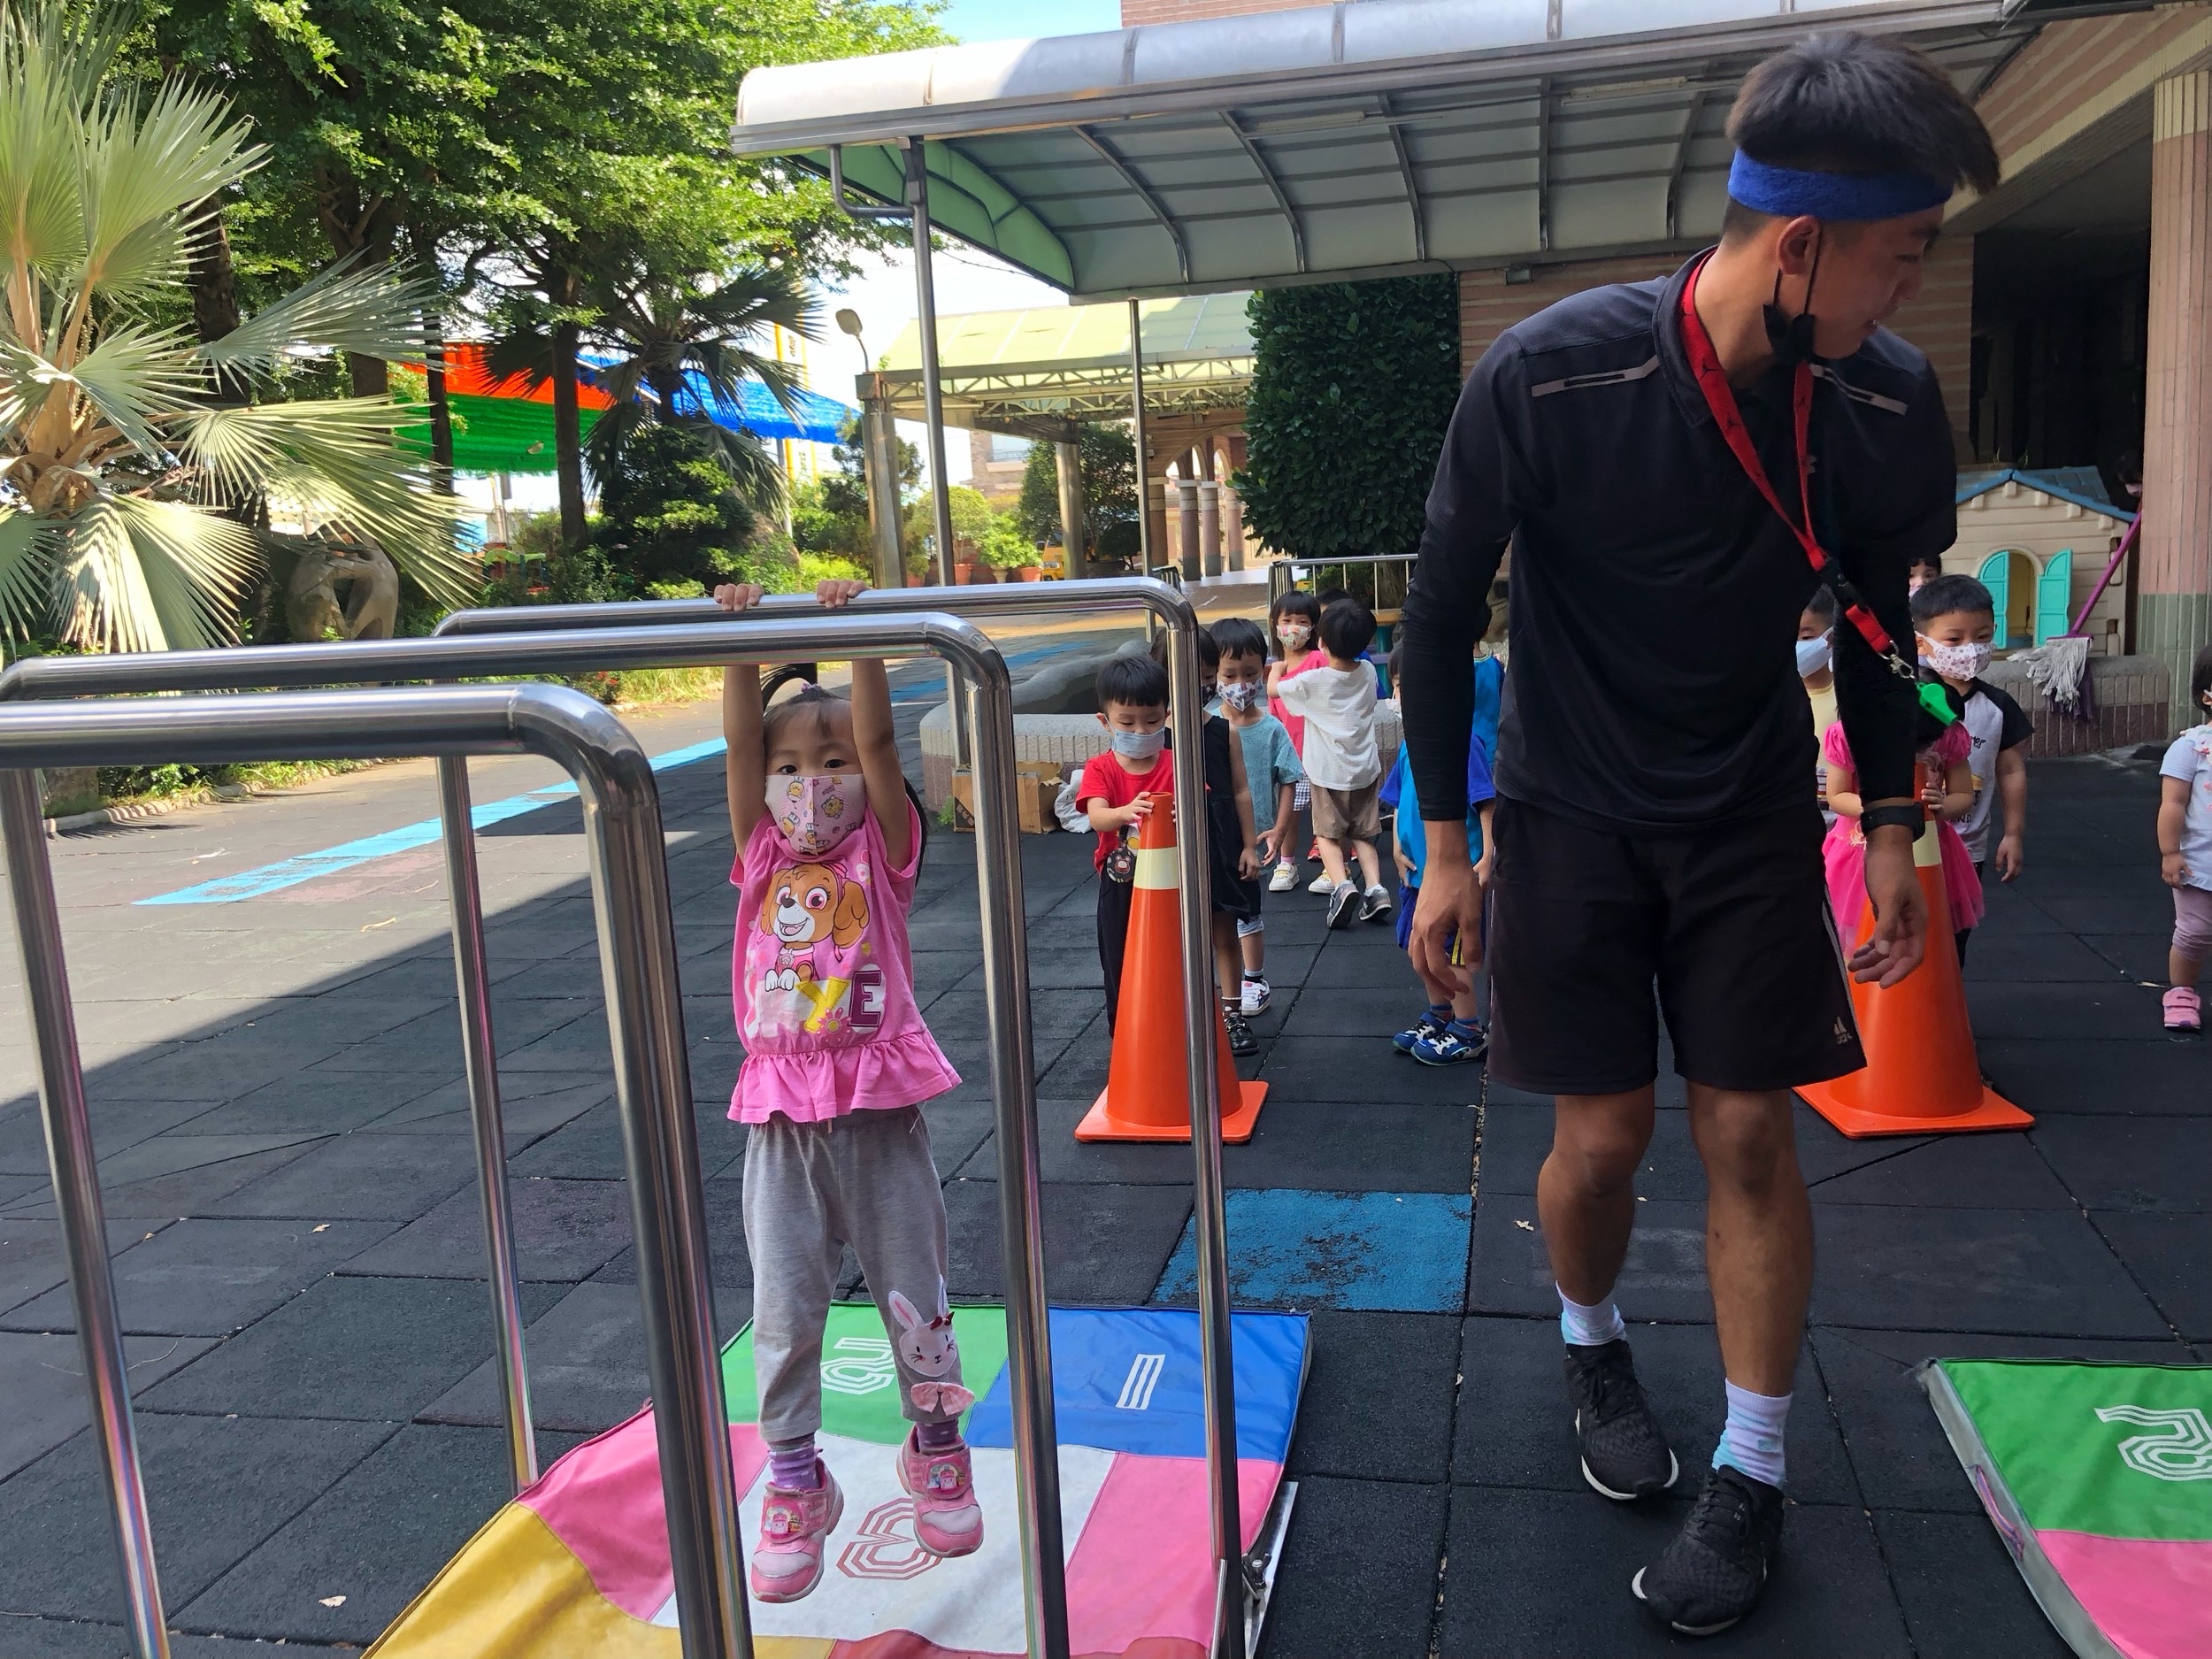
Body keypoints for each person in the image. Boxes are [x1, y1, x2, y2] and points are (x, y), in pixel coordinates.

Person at [1396, 30, 1993, 1635]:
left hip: (1746, 810)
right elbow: (1440, 613)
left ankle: (1753, 1465)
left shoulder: (1883, 393)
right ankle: (1591, 1343)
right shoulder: (1552, 374)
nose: (1910, 289)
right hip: (1569, 811)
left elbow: (1875, 626)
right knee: (1600, 1142)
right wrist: (1446, 846)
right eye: (1899, 254)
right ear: (1798, 245)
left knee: (1745, 1131)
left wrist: (1889, 822)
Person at [713, 578, 979, 1604]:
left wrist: (859, 635)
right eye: (790, 768)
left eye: (831, 767)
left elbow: (875, 740)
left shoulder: (883, 852)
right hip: (782, 1122)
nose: (810, 786)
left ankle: (935, 1442)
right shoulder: (759, 852)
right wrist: (740, 638)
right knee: (783, 1308)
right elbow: (740, 746)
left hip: (878, 1115)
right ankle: (794, 1475)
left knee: (915, 1289)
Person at [1148, 629, 1265, 1053]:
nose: (1194, 686)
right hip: (1170, 845)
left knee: (1224, 928)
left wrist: (1249, 845)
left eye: (1203, 677)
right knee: (1172, 933)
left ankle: (1232, 1013)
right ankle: (1181, 1012)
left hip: (1219, 842)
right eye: (1181, 676)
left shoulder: (1221, 730)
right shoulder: (1152, 735)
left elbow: (1241, 791)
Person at [1383, 643, 1495, 1065]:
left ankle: (1468, 1028)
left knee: (1452, 951)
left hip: (1454, 877)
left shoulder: (1464, 744)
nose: (1403, 698)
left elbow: (1486, 802)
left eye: (1413, 688)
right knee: (1418, 945)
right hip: (1418, 874)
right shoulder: (1410, 746)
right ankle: (1441, 1012)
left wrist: (1488, 853)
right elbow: (1399, 800)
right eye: (1398, 687)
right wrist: (1396, 845)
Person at [1912, 572, 2032, 959]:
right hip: (1910, 842)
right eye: (1954, 639)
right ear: (1921, 642)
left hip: (1968, 847)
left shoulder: (1998, 706)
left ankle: (1949, 998)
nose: (1971, 649)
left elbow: (2011, 771)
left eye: (1982, 637)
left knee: (1953, 939)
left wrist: (2013, 834)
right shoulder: (1907, 699)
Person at [1273, 597, 1390, 929]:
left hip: (1327, 773)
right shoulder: (1368, 672)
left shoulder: (1314, 681)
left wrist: (1278, 670)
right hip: (1365, 770)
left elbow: (1275, 690)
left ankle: (1342, 885)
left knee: (1326, 834)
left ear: (1321, 642)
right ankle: (1376, 889)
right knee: (1363, 834)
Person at [1821, 703, 1980, 945]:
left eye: (1924, 745)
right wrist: (1884, 809)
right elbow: (1837, 795)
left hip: (1929, 849)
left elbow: (1964, 795)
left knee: (1931, 934)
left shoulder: (1946, 732)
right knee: (1856, 937)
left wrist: (1942, 806)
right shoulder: (1850, 733)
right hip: (1860, 852)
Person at [1076, 654, 1176, 1031]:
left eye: (1151, 721)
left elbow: (1198, 808)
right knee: (1118, 954)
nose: (1141, 730)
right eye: (1128, 723)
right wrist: (1126, 811)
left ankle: (1174, 1022)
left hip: (1171, 879)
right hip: (1120, 881)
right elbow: (1097, 816)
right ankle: (1122, 1028)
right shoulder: (1101, 768)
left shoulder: (1175, 762)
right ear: (1105, 722)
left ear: (1167, 715)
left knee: (1172, 951)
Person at [1215, 617, 1304, 1015]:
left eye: (1250, 674)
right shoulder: (1208, 726)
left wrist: (1280, 829)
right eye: (1229, 674)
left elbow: (1288, 779)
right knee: (1218, 913)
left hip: (1254, 837)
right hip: (1216, 834)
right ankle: (1226, 981)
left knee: (1248, 912)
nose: (1241, 684)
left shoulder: (1271, 729)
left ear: (1264, 672)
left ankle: (1254, 979)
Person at [2157, 646, 2212, 1032]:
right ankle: (2181, 992)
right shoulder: (2192, 747)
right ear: (2207, 696)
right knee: (2194, 932)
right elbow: (2173, 803)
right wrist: (2170, 852)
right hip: (2200, 863)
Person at [1265, 588, 1325, 892]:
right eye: (1287, 620)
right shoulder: (1276, 670)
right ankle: (1286, 863)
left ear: (1313, 627)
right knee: (1289, 812)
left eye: (1302, 621)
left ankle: (1332, 866)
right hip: (1292, 756)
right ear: (1275, 624)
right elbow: (1274, 716)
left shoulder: (1318, 660)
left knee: (1326, 813)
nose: (1293, 628)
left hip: (1321, 751)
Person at [1798, 586, 1839, 819]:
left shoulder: (1847, 697)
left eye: (1806, 637)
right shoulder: (1768, 699)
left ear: (1831, 637)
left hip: (1842, 822)